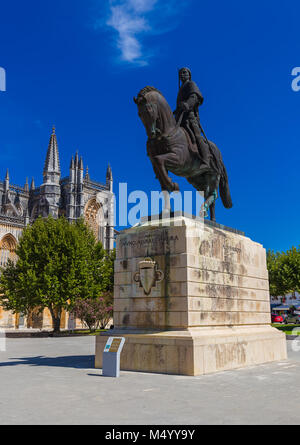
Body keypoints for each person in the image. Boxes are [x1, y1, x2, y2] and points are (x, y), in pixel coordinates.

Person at [174, 67, 211, 168]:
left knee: (197, 135)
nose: (182, 75)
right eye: (180, 73)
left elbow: (195, 97)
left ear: (189, 75)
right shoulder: (180, 90)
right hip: (180, 118)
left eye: (184, 72)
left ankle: (206, 160)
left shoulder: (191, 84)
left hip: (189, 117)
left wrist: (187, 104)